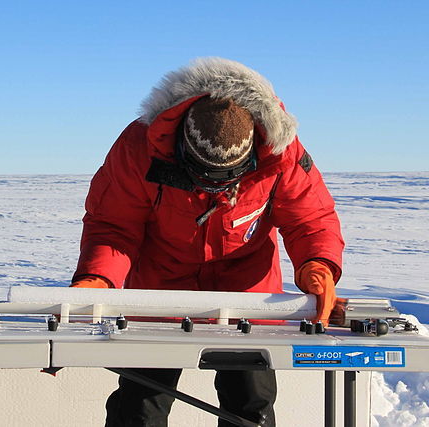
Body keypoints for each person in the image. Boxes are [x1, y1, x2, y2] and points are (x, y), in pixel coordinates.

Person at [70, 57, 344, 427]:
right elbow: (114, 225)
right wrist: (98, 281)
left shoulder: (281, 152)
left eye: (228, 179)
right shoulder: (140, 147)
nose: (214, 189)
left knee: (251, 404)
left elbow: (309, 218)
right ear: (181, 149)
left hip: (248, 294)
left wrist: (317, 265)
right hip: (159, 289)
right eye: (204, 177)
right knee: (141, 405)